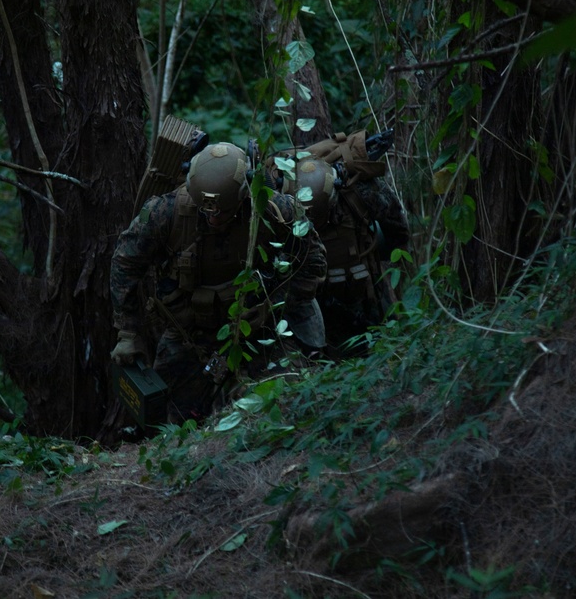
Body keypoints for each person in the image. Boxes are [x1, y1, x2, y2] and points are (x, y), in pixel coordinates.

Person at [109, 141, 327, 422]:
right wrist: (127, 333)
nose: (212, 218)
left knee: (285, 403)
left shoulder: (274, 209)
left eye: (221, 211)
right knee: (165, 420)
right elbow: (125, 262)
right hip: (188, 332)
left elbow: (312, 260)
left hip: (258, 329)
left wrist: (281, 305)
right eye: (206, 209)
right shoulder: (167, 212)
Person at [283, 155, 409, 358]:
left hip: (366, 298)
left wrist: (382, 268)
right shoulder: (282, 209)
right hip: (314, 308)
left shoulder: (360, 193)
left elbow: (398, 230)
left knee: (384, 349)